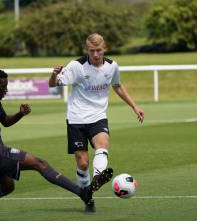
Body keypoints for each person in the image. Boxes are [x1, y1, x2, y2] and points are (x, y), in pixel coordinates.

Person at [0, 69, 103, 221]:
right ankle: (82, 192)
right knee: (40, 163)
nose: (6, 89)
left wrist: (20, 114)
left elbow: (6, 122)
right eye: (3, 86)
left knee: (7, 187)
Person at [49, 33, 145, 210]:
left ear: (104, 48)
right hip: (76, 118)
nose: (95, 54)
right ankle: (87, 195)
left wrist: (134, 106)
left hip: (98, 116)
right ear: (87, 49)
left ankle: (98, 178)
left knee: (103, 145)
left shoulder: (112, 66)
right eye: (92, 51)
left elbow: (117, 86)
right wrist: (54, 75)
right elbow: (53, 85)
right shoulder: (77, 66)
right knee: (82, 163)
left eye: (98, 50)